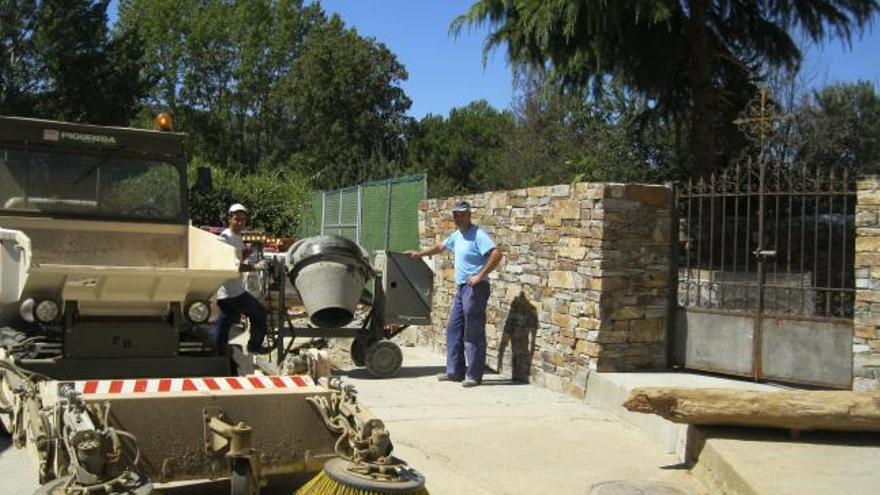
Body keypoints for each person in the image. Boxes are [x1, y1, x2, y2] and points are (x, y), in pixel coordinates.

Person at [407, 200, 503, 387]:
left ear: (469, 215)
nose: (458, 218)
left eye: (461, 214)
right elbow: (440, 247)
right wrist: (420, 254)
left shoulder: (478, 235)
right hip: (462, 288)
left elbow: (496, 254)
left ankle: (474, 375)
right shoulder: (457, 235)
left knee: (473, 330)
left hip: (475, 287)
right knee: (453, 327)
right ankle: (455, 372)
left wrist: (480, 275)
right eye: (455, 215)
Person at [210, 203, 271, 355]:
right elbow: (229, 265)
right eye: (237, 219)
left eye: (243, 220)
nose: (240, 223)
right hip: (230, 289)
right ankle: (254, 346)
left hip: (229, 288)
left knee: (227, 317)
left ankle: (218, 348)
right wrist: (254, 267)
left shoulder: (236, 237)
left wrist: (247, 253)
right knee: (259, 313)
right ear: (229, 219)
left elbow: (237, 257)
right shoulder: (225, 238)